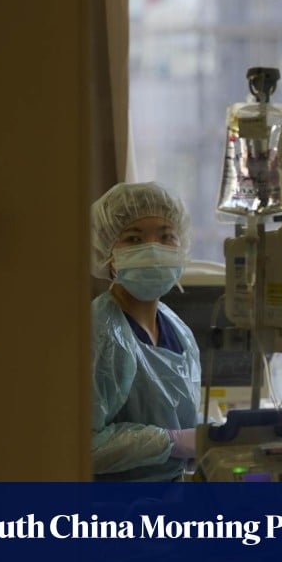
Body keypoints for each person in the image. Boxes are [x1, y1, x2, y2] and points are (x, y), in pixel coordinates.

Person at [90, 181, 200, 482]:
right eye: (134, 239)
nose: (153, 250)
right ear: (107, 253)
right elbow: (80, 444)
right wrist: (171, 442)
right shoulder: (99, 333)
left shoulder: (180, 333)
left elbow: (183, 420)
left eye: (166, 237)